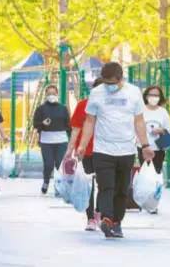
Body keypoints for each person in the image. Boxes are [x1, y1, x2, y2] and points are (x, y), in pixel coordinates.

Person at [76, 62, 155, 238]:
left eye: (112, 83)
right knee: (106, 186)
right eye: (106, 83)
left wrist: (145, 145)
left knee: (122, 189)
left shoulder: (133, 92)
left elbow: (139, 121)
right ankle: (107, 219)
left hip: (126, 149)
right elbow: (90, 121)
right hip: (102, 149)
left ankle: (117, 222)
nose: (109, 86)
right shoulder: (96, 93)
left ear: (120, 79)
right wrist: (82, 145)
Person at [64, 77, 104, 231]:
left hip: (106, 150)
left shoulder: (113, 108)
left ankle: (100, 212)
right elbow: (76, 129)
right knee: (89, 185)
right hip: (86, 150)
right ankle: (91, 218)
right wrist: (70, 149)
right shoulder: (83, 105)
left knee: (103, 183)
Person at [136, 85, 170, 214]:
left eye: (157, 95)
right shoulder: (141, 110)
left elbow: (168, 129)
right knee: (145, 174)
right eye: (151, 95)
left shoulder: (163, 112)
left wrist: (161, 130)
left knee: (156, 174)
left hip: (158, 147)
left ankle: (153, 202)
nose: (154, 98)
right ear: (146, 96)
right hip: (144, 147)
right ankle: (144, 199)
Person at [33, 85, 71, 195]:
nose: (51, 96)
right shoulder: (41, 109)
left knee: (60, 164)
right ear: (45, 95)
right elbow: (35, 124)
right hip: (46, 141)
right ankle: (46, 182)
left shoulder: (63, 109)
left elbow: (68, 125)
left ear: (57, 94)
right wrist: (42, 124)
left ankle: (58, 185)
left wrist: (73, 140)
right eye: (49, 93)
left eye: (54, 93)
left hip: (61, 140)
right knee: (49, 164)